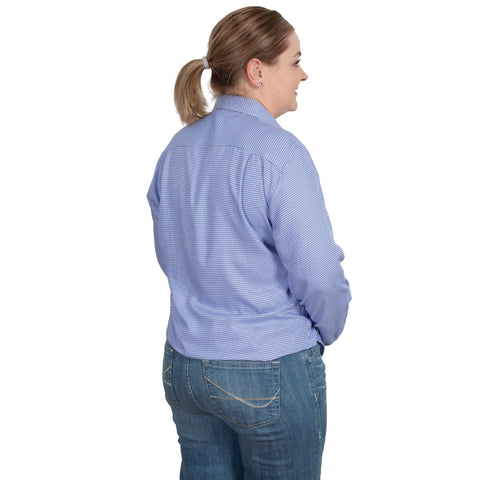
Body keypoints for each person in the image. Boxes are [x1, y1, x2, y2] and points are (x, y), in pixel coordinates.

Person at [147, 6, 351, 479]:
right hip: (268, 365)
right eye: (295, 61)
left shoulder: (176, 151)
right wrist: (325, 332)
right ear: (257, 71)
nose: (303, 74)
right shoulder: (279, 152)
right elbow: (319, 274)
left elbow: (174, 256)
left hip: (186, 366)